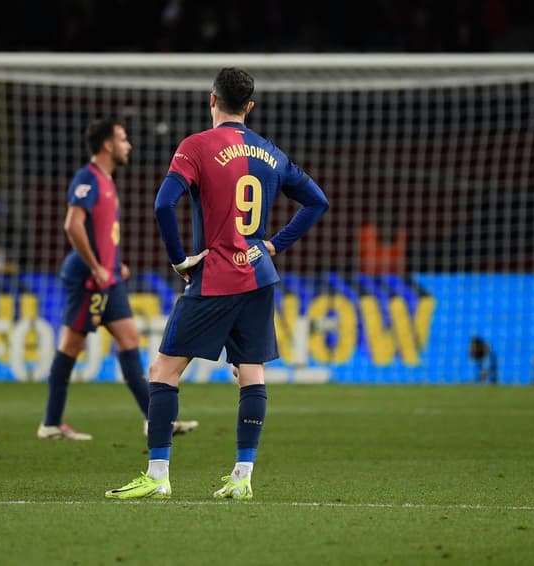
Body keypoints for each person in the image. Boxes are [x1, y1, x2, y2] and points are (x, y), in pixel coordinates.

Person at [105, 67, 329, 500]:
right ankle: (242, 477)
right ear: (250, 106)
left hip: (216, 275)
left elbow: (163, 203)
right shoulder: (271, 152)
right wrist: (275, 245)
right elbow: (316, 201)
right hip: (260, 274)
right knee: (251, 373)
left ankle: (158, 475)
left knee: (163, 370)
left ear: (212, 100)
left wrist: (178, 259)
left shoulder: (195, 147)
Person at [37, 118, 198, 441]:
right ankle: (51, 423)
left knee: (129, 341)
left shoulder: (106, 181)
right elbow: (73, 225)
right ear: (108, 145)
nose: (129, 146)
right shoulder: (88, 178)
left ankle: (154, 419)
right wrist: (96, 266)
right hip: (88, 280)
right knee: (71, 346)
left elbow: (101, 233)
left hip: (109, 279)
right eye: (123, 140)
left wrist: (113, 265)